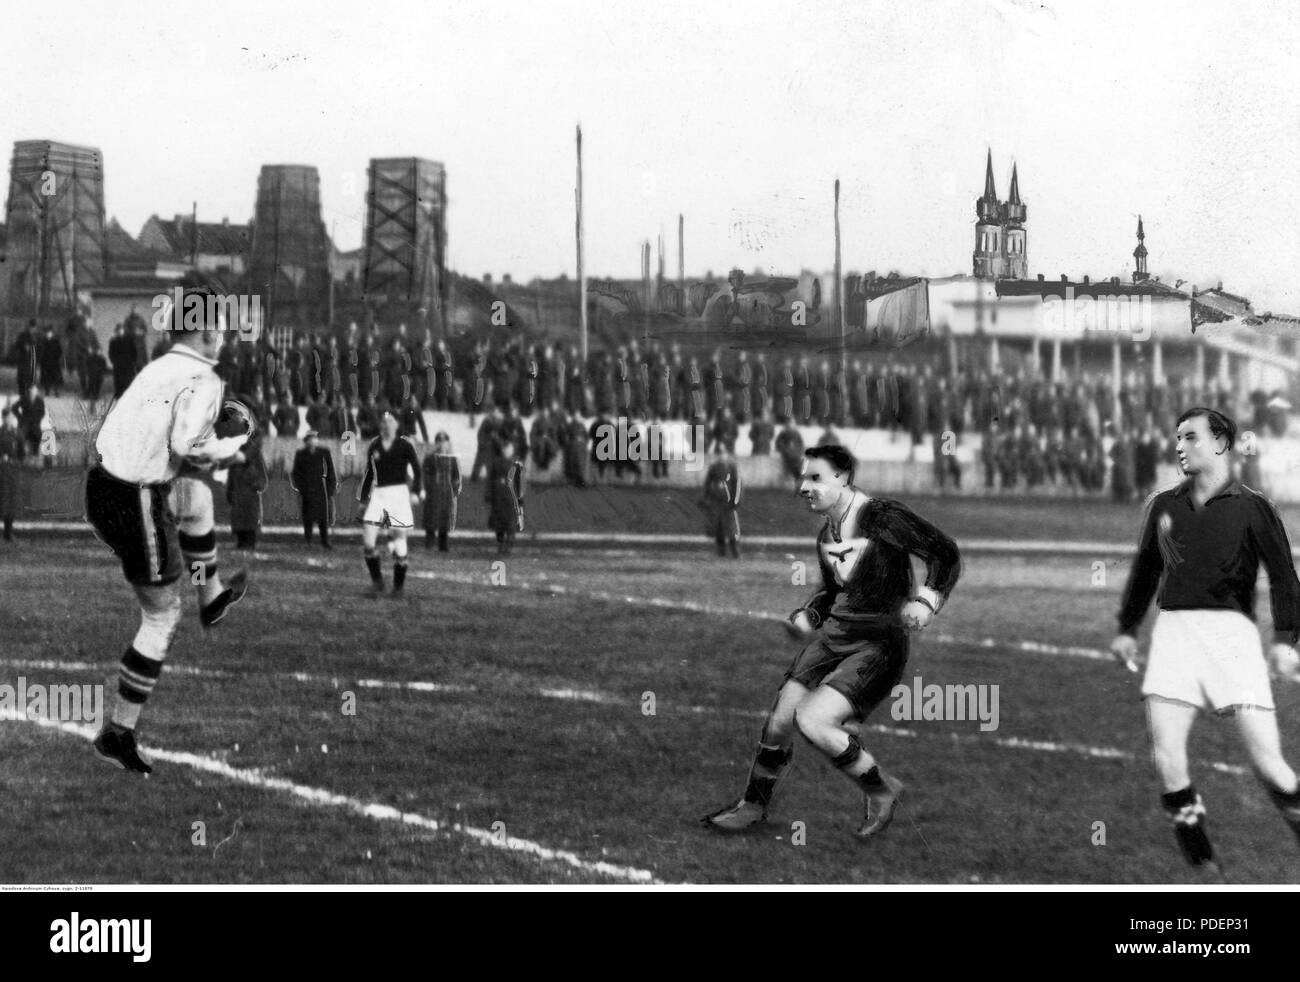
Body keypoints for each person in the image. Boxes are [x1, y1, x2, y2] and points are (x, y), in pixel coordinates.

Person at [702, 445, 961, 836]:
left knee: (814, 720)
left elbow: (945, 553)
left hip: (879, 643)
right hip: (836, 636)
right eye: (803, 478)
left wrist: (926, 600)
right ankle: (753, 806)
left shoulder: (881, 517)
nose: (804, 487)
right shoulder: (827, 534)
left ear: (842, 477)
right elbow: (831, 591)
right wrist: (810, 614)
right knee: (778, 723)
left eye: (815, 478)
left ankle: (881, 790)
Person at [1111, 407, 1300, 872]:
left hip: (1230, 637)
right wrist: (1128, 628)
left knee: (1269, 763)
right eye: (1176, 437)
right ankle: (1207, 875)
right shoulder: (1162, 506)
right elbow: (1145, 573)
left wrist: (1283, 640)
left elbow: (1283, 577)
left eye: (1190, 436)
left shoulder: (1254, 508)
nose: (1179, 446)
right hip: (1174, 634)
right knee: (1168, 759)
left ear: (1220, 443)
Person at [84, 274, 250, 774]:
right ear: (205, 329)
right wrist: (233, 445)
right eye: (218, 325)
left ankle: (212, 595)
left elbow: (134, 434)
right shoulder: (202, 376)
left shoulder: (161, 366)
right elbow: (188, 446)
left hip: (107, 486)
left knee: (196, 500)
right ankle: (120, 731)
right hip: (135, 497)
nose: (222, 334)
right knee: (159, 616)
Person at [358, 411, 423, 597]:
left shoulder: (404, 445)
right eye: (384, 421)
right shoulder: (375, 445)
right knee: (368, 542)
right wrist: (363, 500)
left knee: (399, 541)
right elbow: (369, 474)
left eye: (390, 421)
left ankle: (398, 587)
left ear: (396, 424)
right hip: (379, 495)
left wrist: (417, 492)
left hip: (399, 495)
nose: (386, 424)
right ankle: (377, 582)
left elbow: (417, 470)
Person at [291, 430, 337, 549]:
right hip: (307, 489)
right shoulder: (300, 454)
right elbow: (296, 473)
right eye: (310, 439)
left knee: (323, 516)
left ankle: (324, 540)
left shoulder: (324, 452)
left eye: (315, 438)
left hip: (321, 488)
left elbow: (330, 471)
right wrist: (300, 488)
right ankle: (308, 540)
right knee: (308, 516)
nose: (313, 441)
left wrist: (330, 488)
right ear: (306, 441)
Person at [226, 429, 268, 550]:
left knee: (249, 519)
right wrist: (230, 492)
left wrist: (256, 484)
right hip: (238, 492)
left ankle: (249, 541)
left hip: (249, 493)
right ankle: (241, 540)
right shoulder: (235, 455)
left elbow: (262, 478)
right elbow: (231, 475)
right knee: (239, 520)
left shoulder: (256, 456)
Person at [422, 432, 463, 552]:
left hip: (447, 493)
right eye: (439, 441)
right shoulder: (430, 458)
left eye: (444, 441)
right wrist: (428, 486)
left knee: (444, 518)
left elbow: (456, 475)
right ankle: (429, 542)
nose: (442, 444)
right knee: (431, 516)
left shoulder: (452, 458)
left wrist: (455, 487)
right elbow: (425, 473)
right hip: (434, 492)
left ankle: (443, 544)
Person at [485, 438, 525, 555]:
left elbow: (520, 482)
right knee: (499, 523)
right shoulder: (496, 462)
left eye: (509, 449)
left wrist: (520, 497)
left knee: (511, 522)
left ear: (512, 450)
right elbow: (491, 479)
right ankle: (501, 544)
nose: (507, 451)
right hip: (498, 497)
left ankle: (509, 543)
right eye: (505, 449)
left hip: (511, 498)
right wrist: (489, 494)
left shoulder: (516, 464)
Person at [701, 447, 741, 558]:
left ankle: (735, 551)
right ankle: (721, 551)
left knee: (732, 527)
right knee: (718, 527)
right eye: (718, 454)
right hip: (716, 501)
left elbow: (737, 484)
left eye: (723, 454)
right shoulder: (713, 467)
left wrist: (736, 500)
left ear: (726, 455)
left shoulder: (732, 467)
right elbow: (708, 483)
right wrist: (706, 498)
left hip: (729, 502)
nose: (721, 456)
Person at [0, 407, 25, 541]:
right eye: (7, 417)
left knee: (12, 500)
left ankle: (8, 532)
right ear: (3, 418)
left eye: (11, 417)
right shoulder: (0, 433)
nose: (9, 419)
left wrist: (16, 461)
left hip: (14, 470)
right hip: (2, 471)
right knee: (4, 499)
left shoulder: (17, 433)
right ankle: (6, 532)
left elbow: (22, 453)